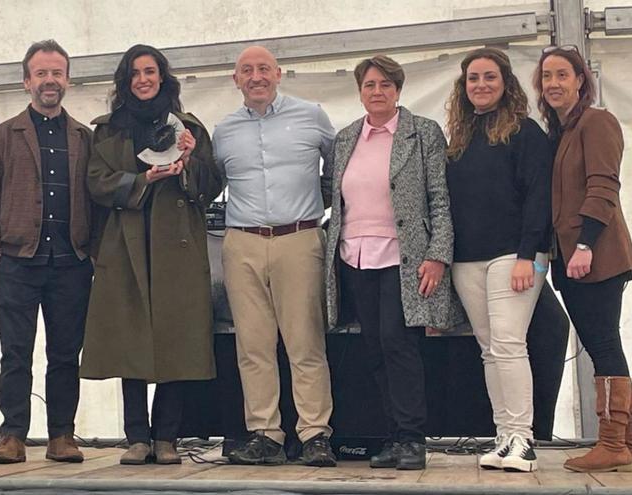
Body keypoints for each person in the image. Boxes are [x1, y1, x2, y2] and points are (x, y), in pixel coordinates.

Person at [81, 44, 222, 465]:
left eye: (150, 71)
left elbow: (210, 185)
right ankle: (137, 438)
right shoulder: (107, 131)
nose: (143, 79)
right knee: (131, 341)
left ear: (163, 77)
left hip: (176, 246)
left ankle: (167, 439)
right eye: (135, 73)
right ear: (125, 82)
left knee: (176, 341)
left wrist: (190, 160)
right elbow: (96, 183)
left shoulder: (190, 126)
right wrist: (141, 179)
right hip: (126, 245)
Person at [325, 55, 453, 471]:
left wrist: (437, 255)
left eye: (384, 84)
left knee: (399, 345)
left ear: (398, 89)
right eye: (369, 85)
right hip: (354, 256)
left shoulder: (423, 133)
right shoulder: (346, 137)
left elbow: (439, 196)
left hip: (404, 256)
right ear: (360, 91)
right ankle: (393, 437)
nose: (376, 92)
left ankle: (413, 439)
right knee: (374, 348)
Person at [213, 45, 337, 467]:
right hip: (242, 241)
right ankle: (265, 433)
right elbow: (211, 183)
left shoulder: (312, 116)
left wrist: (315, 209)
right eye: (246, 70)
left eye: (263, 68)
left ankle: (315, 433)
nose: (256, 76)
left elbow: (338, 172)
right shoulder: (224, 130)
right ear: (236, 80)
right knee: (253, 345)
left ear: (279, 73)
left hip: (298, 239)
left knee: (305, 341)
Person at [0, 40, 94, 465]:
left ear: (67, 80)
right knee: (16, 353)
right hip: (17, 262)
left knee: (65, 354)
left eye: (56, 73)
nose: (49, 80)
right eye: (41, 73)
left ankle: (62, 435)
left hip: (71, 263)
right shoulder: (1, 135)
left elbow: (95, 199)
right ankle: (12, 436)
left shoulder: (84, 136)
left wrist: (90, 253)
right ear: (27, 81)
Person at [445, 48, 551, 472]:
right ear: (464, 85)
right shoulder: (460, 139)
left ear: (505, 83)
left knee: (509, 345)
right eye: (473, 78)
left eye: (490, 77)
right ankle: (504, 435)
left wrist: (529, 255)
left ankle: (524, 439)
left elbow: (538, 199)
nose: (481, 85)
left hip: (517, 257)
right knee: (490, 350)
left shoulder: (527, 133)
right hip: (467, 261)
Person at [535, 45, 632, 473]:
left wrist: (586, 245)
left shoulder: (597, 121)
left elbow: (603, 186)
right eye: (546, 77)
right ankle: (626, 440)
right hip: (571, 259)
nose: (553, 83)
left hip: (596, 256)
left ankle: (611, 443)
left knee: (603, 344)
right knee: (603, 343)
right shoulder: (561, 132)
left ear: (580, 80)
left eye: (562, 75)